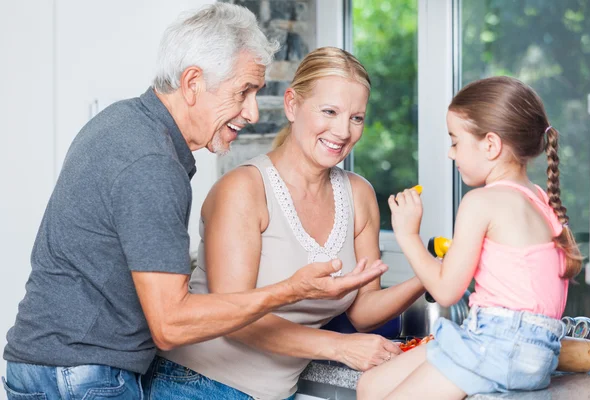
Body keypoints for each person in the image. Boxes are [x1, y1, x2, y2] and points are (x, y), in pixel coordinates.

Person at [2, 4, 389, 399]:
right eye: (244, 91)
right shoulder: (152, 162)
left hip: (54, 366)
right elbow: (171, 326)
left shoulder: (127, 125)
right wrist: (291, 290)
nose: (252, 112)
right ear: (192, 83)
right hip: (80, 374)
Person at [144, 46, 426, 400]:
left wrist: (432, 272)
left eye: (356, 118)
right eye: (329, 111)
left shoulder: (358, 194)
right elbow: (234, 320)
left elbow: (363, 312)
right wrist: (339, 347)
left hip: (275, 393)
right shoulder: (244, 189)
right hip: (193, 384)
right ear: (292, 104)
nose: (343, 131)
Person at [357, 76, 583, 399]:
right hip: (530, 352)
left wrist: (408, 235)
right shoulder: (539, 199)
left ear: (491, 145)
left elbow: (447, 291)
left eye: (455, 141)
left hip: (496, 347)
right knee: (369, 386)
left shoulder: (480, 202)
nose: (451, 153)